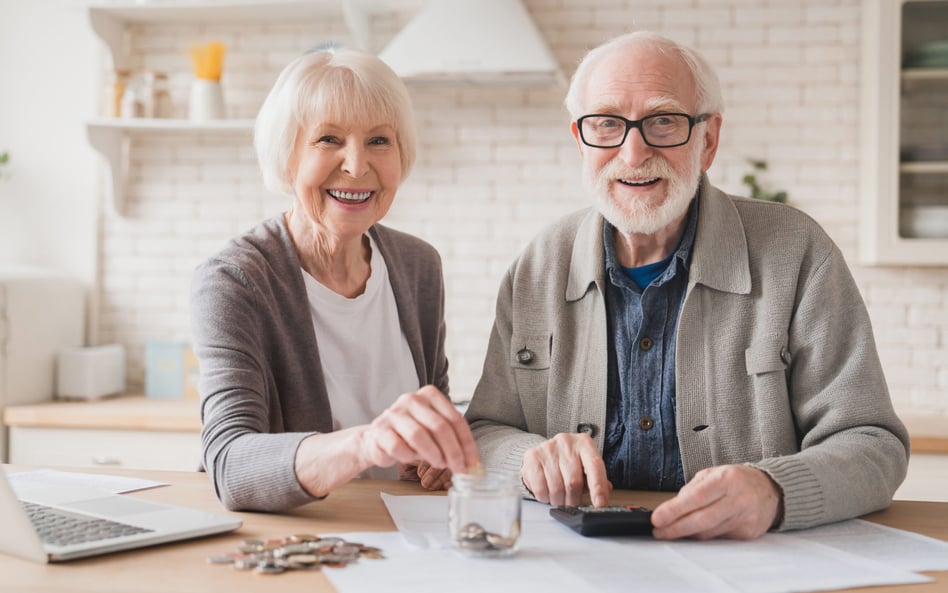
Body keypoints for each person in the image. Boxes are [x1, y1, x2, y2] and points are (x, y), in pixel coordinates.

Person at [464, 31, 909, 540]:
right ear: (581, 140)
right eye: (607, 123)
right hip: (575, 566)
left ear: (708, 140)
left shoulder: (798, 252)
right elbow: (483, 432)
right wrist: (528, 460)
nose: (633, 154)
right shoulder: (537, 265)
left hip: (748, 567)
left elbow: (873, 444)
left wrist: (773, 490)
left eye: (663, 121)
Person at [191, 48, 480, 512]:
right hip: (302, 538)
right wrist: (368, 444)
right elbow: (229, 463)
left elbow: (433, 412)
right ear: (287, 157)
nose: (356, 165)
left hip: (407, 534)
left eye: (380, 141)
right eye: (329, 139)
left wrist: (433, 455)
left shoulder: (418, 265)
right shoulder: (235, 280)